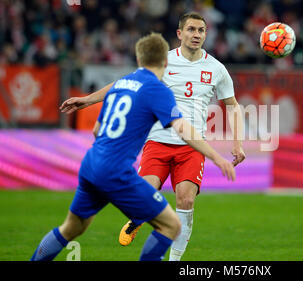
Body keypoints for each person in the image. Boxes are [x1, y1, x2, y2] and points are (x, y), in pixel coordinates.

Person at [31, 33, 235, 261]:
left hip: (90, 163)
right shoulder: (157, 91)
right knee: (171, 225)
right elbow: (183, 130)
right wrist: (217, 157)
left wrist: (91, 105)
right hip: (115, 171)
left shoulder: (120, 85)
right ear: (165, 63)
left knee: (71, 228)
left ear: (139, 60)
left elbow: (97, 130)